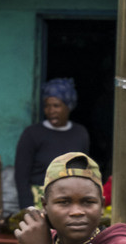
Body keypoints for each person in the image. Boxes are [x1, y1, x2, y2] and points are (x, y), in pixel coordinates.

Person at [13, 78, 91, 211]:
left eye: (56, 106)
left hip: (71, 201)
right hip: (39, 201)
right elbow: (21, 177)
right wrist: (28, 207)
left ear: (68, 106)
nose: (51, 110)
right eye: (47, 106)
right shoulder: (32, 134)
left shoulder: (80, 133)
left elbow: (85, 171)